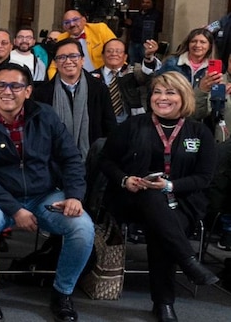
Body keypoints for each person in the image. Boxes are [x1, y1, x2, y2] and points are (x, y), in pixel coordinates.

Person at [0, 63, 94, 322]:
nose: (7, 91)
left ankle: (62, 293)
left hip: (45, 195)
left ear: (28, 91)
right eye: (1, 85)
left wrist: (75, 196)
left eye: (16, 86)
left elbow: (71, 158)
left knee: (83, 228)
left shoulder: (46, 116)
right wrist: (15, 209)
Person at [100, 71, 220, 322]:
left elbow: (204, 177)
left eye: (170, 92)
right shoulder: (133, 125)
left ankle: (166, 298)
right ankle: (178, 279)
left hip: (182, 201)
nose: (161, 97)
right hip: (132, 198)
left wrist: (170, 185)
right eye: (157, 92)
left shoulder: (199, 132)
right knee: (152, 201)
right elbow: (106, 161)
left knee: (162, 222)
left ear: (184, 96)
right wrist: (125, 179)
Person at [33, 39, 117, 161]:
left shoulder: (99, 89)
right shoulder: (42, 93)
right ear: (55, 62)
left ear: (82, 60)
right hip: (53, 162)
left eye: (73, 56)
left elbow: (109, 127)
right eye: (61, 57)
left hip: (93, 161)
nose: (68, 61)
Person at [96, 37, 161, 123]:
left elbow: (146, 75)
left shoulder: (134, 72)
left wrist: (148, 57)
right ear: (102, 56)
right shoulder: (91, 76)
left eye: (118, 51)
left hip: (132, 123)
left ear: (125, 57)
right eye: (109, 51)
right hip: (100, 123)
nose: (114, 54)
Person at [53, 9, 117, 75]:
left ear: (84, 20)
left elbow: (117, 51)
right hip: (75, 78)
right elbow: (53, 65)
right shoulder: (61, 38)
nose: (72, 24)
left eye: (75, 20)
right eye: (67, 22)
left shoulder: (99, 29)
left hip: (102, 76)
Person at [124, 0, 163, 65]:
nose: (145, 4)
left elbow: (149, 25)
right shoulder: (137, 14)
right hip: (134, 42)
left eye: (148, 2)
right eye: (143, 2)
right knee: (133, 63)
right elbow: (129, 25)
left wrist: (133, 23)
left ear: (153, 3)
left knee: (146, 63)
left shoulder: (156, 14)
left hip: (146, 44)